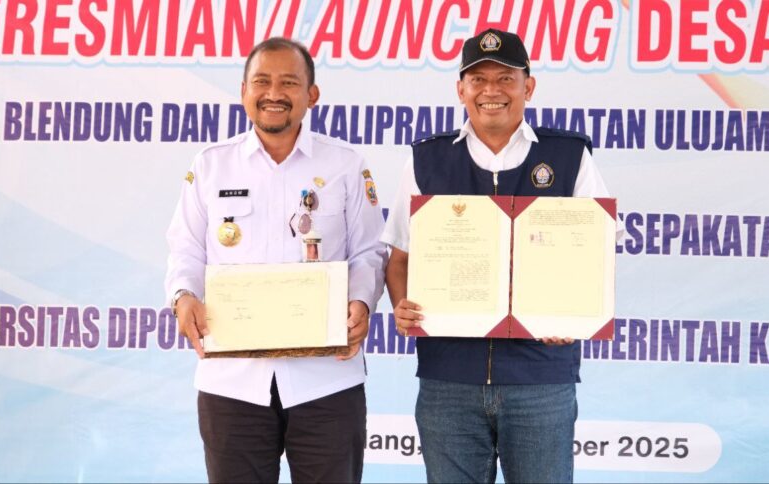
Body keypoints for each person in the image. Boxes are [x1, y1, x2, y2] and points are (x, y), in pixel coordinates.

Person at [382, 29, 611, 483]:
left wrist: (577, 312)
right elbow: (400, 260)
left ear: (529, 86)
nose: (492, 90)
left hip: (539, 379)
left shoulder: (569, 157)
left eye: (506, 78)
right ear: (460, 89)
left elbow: (596, 253)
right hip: (449, 380)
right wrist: (402, 305)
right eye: (478, 79)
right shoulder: (426, 160)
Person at [165, 37, 387, 483]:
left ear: (312, 94)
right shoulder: (211, 165)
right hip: (232, 382)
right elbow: (186, 249)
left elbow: (370, 251)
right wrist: (183, 296)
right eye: (261, 81)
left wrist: (361, 302)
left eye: (289, 82)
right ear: (243, 90)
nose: (273, 93)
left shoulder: (345, 165)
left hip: (327, 379)